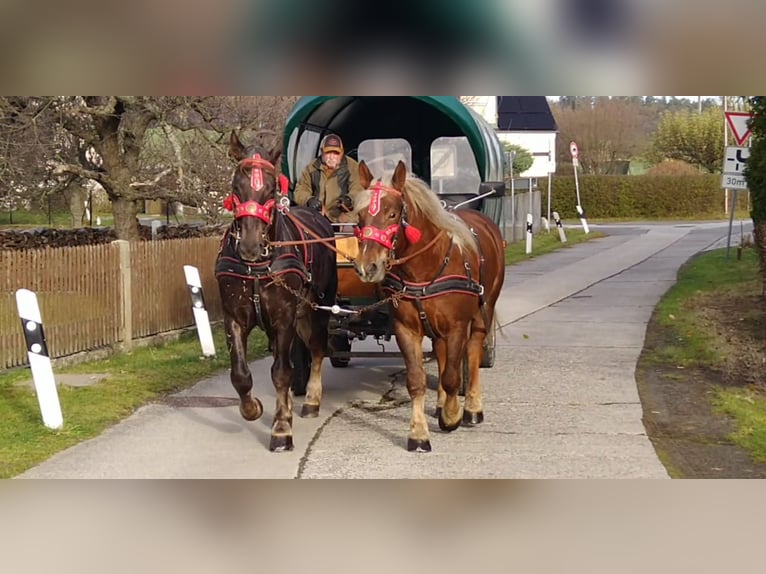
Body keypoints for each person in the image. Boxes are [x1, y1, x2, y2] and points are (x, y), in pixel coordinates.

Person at [293, 134, 364, 223]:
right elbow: (300, 190)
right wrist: (309, 200)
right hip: (317, 217)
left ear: (342, 153)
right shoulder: (311, 168)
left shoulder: (353, 167)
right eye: (328, 152)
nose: (331, 157)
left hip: (344, 218)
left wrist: (349, 199)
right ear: (322, 152)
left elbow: (359, 190)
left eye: (336, 153)